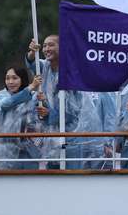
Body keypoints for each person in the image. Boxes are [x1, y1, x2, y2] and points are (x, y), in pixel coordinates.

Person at [26, 36, 96, 169]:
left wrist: (50, 114)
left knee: (71, 180)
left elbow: (74, 111)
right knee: (52, 180)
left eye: (51, 45)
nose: (46, 49)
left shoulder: (71, 72)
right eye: (45, 46)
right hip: (51, 139)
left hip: (70, 138)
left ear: (61, 47)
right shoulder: (45, 67)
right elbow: (32, 63)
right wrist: (31, 52)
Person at [0, 66, 42, 169]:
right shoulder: (0, 96)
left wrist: (44, 102)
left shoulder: (34, 97)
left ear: (22, 79)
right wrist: (30, 88)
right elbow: (6, 104)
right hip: (6, 151)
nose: (10, 82)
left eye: (15, 78)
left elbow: (40, 119)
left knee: (31, 182)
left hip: (29, 152)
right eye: (7, 78)